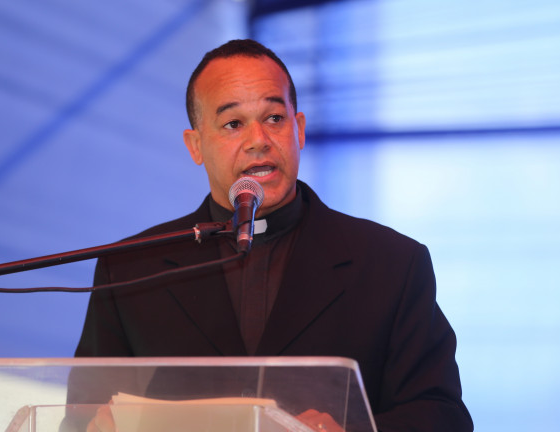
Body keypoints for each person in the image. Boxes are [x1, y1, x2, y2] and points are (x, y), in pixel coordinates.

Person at [72, 39, 473, 432]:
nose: (258, 141)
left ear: (299, 130)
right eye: (233, 124)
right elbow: (76, 417)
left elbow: (443, 415)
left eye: (275, 118)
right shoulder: (130, 267)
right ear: (196, 145)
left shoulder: (391, 264)